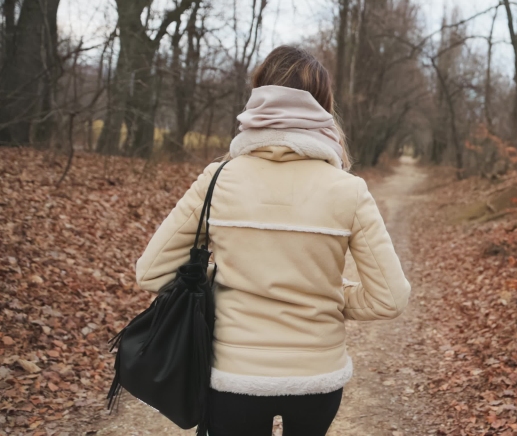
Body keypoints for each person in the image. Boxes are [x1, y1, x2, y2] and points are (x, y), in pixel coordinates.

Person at [133, 45, 411, 435]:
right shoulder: (349, 190)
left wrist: (223, 280)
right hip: (317, 379)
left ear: (259, 96)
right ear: (323, 106)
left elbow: (151, 272)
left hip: (234, 378)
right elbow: (390, 298)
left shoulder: (218, 179)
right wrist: (330, 294)